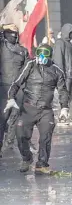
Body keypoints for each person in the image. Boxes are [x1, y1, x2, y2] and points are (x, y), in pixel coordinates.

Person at [6, 44, 69, 174]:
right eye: (39, 54)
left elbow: (63, 90)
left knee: (45, 137)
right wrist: (11, 97)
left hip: (45, 110)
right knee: (21, 135)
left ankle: (42, 164)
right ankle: (26, 158)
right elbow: (17, 82)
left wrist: (64, 108)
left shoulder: (56, 70)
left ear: (49, 56)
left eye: (44, 55)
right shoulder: (30, 65)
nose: (41, 58)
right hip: (28, 107)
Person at [0, 24, 29, 153]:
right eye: (10, 32)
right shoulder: (2, 47)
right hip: (4, 87)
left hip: (19, 88)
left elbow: (28, 68)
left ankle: (10, 142)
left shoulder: (22, 50)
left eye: (15, 33)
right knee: (3, 117)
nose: (14, 35)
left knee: (15, 116)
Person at [53, 23, 72, 121]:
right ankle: (62, 115)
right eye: (71, 33)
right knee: (64, 96)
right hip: (65, 75)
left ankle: (71, 115)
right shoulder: (60, 42)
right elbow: (58, 60)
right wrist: (60, 74)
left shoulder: (70, 44)